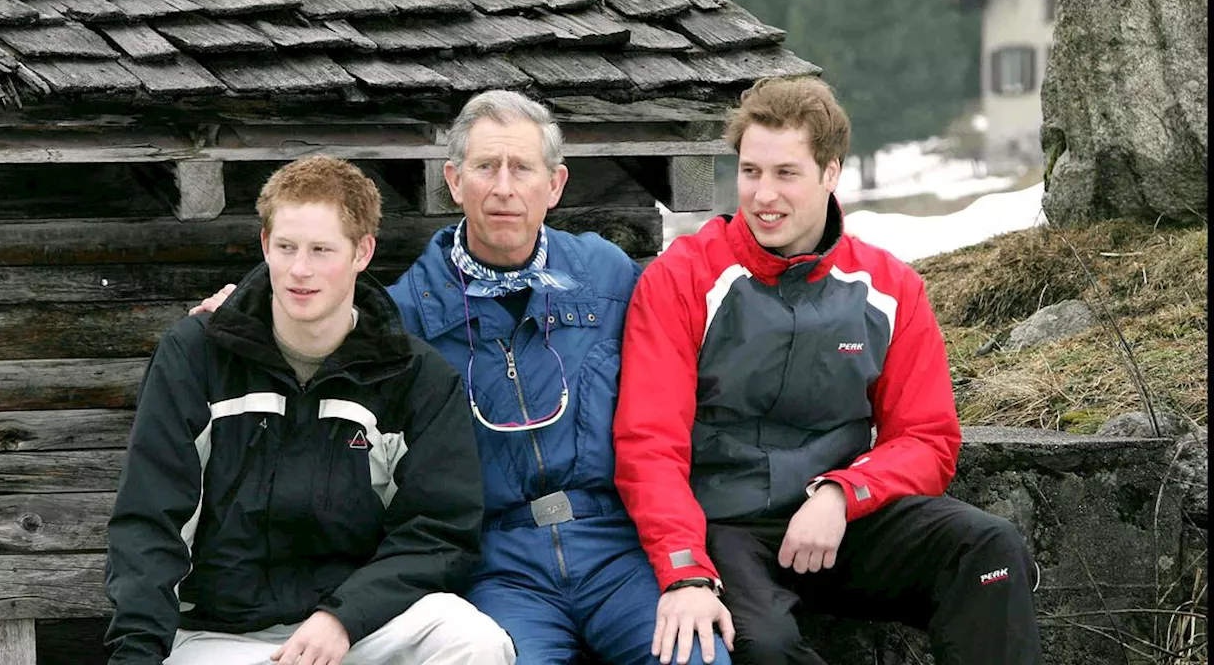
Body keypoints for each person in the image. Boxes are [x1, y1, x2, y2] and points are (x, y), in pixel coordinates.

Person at [191, 91, 732, 665]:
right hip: (498, 562)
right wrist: (248, 303)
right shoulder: (403, 318)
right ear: (453, 181)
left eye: (522, 168)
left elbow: (702, 282)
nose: (503, 187)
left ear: (555, 184)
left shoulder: (607, 276)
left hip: (616, 548)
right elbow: (313, 310)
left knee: (695, 655)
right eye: (484, 167)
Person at [612, 75, 1044, 664]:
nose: (764, 195)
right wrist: (684, 565)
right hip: (727, 528)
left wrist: (844, 493)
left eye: (786, 173)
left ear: (830, 173)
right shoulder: (681, 279)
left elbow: (927, 438)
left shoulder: (890, 289)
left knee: (988, 548)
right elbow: (649, 445)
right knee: (762, 648)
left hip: (840, 521)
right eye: (750, 172)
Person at [105, 155, 514, 665]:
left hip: (359, 625)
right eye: (286, 247)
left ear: (362, 251)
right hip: (220, 636)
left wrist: (344, 616)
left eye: (322, 250)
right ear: (264, 245)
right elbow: (150, 520)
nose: (300, 269)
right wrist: (137, 653)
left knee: (475, 643)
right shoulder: (196, 355)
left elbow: (438, 531)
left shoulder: (415, 376)